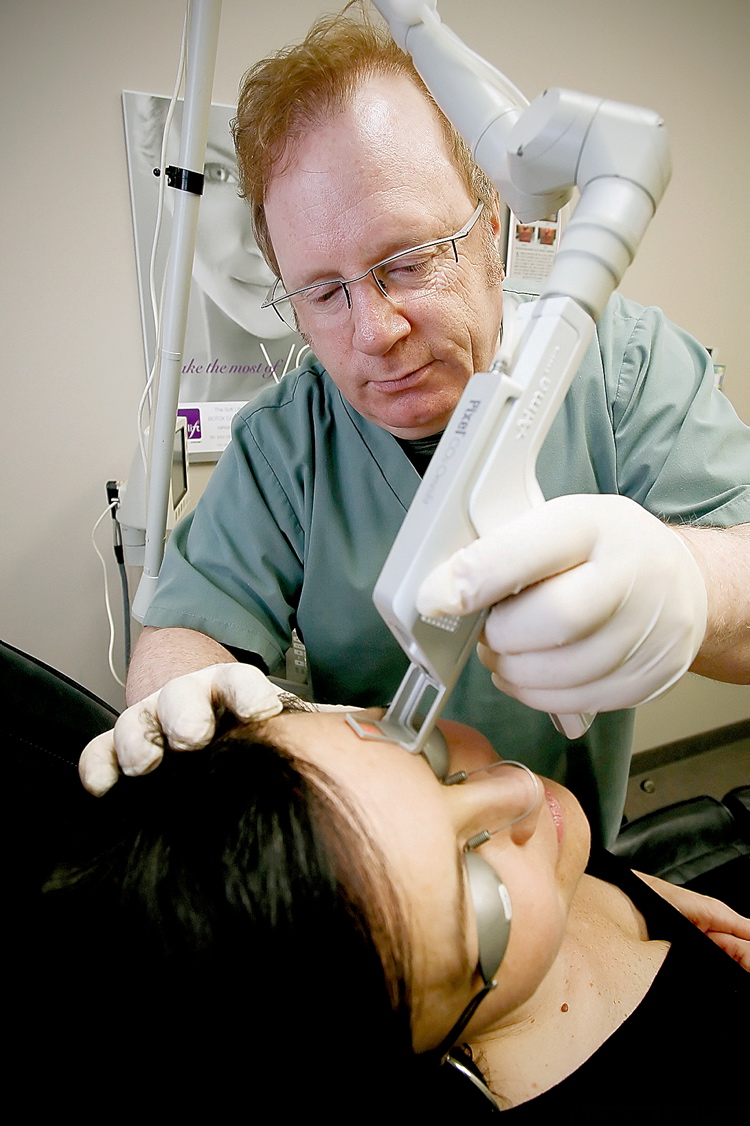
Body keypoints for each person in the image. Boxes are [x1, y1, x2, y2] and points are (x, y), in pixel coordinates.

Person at [83, 7, 750, 847]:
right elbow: (187, 625)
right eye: (324, 293)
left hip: (576, 856)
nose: (374, 332)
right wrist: (188, 693)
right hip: (383, 863)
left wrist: (692, 584)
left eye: (407, 262)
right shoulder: (285, 446)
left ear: (493, 226)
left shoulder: (624, 369)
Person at [46, 706, 749, 1116]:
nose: (520, 789)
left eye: (434, 758)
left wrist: (646, 899)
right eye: (478, 886)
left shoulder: (538, 869)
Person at [125, 93, 305, 403]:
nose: (265, 246)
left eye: (298, 180)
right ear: (162, 184)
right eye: (218, 173)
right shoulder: (166, 409)